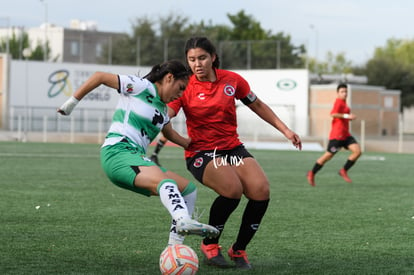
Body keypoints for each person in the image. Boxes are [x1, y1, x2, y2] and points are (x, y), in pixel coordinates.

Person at [167, 37, 302, 269]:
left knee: (261, 190)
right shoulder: (184, 86)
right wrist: (181, 141)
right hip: (201, 153)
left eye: (202, 58)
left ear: (213, 57)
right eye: (191, 60)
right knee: (232, 190)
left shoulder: (232, 80)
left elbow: (257, 105)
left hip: (231, 148)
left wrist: (286, 130)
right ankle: (210, 244)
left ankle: (238, 250)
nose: (197, 64)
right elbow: (164, 116)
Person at [57, 60, 219, 247]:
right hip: (118, 151)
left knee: (188, 190)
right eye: (181, 88)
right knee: (165, 181)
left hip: (135, 157)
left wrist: (199, 144)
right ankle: (183, 219)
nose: (180, 94)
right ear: (169, 78)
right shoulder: (141, 86)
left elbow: (170, 134)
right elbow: (99, 77)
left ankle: (175, 248)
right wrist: (71, 104)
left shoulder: (163, 110)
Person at [306, 83, 362, 186]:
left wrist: (348, 117)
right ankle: (312, 173)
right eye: (342, 92)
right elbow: (333, 114)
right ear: (337, 93)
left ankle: (343, 170)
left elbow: (342, 117)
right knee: (327, 156)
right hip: (337, 136)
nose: (344, 93)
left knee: (357, 151)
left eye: (346, 92)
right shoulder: (338, 102)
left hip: (346, 135)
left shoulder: (345, 104)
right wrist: (346, 115)